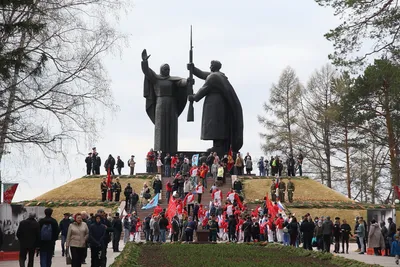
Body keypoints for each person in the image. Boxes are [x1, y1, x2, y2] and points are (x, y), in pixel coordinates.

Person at [188, 61, 244, 158]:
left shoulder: (214, 77)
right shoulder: (218, 76)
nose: (210, 67)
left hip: (215, 106)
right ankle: (217, 146)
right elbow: (203, 74)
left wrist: (193, 97)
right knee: (216, 126)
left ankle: (218, 147)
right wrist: (193, 69)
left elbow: (204, 89)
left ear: (214, 67)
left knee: (215, 127)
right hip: (219, 105)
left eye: (211, 65)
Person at [142, 48, 189, 153]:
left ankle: (172, 151)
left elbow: (181, 82)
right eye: (165, 69)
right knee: (160, 127)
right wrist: (145, 61)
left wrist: (187, 81)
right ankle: (159, 151)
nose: (167, 71)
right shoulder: (156, 78)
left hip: (172, 105)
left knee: (172, 127)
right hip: (160, 104)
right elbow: (147, 71)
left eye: (168, 69)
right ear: (161, 70)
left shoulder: (173, 80)